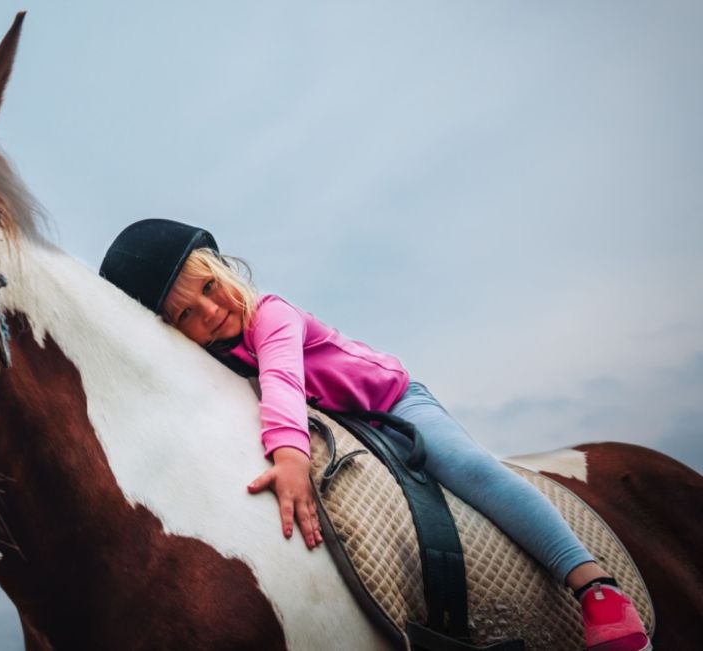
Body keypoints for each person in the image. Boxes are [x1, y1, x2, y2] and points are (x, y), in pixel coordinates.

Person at [99, 218, 650, 651]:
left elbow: (284, 383)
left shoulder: (271, 316)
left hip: (394, 404)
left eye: (210, 289)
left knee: (467, 468)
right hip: (346, 429)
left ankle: (592, 584)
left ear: (223, 269)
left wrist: (289, 458)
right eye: (190, 315)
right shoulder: (217, 362)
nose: (213, 312)